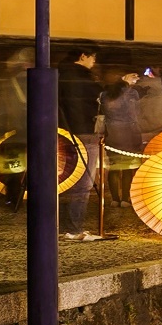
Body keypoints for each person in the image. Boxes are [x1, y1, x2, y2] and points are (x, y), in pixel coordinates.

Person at [58, 48, 103, 240]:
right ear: (83, 56)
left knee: (65, 179)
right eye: (93, 57)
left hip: (65, 133)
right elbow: (102, 97)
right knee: (84, 183)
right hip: (84, 132)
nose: (94, 61)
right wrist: (122, 84)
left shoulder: (60, 76)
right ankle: (74, 228)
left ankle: (60, 226)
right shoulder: (83, 78)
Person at [100, 71, 142, 207]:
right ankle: (124, 199)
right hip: (129, 133)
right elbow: (134, 112)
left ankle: (115, 199)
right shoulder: (131, 93)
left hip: (112, 134)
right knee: (127, 168)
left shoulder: (105, 94)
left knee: (114, 168)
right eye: (132, 77)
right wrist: (126, 85)